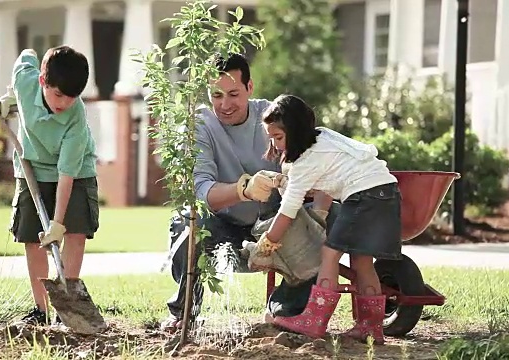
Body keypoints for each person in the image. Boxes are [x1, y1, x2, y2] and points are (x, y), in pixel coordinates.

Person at [160, 53, 335, 332]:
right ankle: (185, 312)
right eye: (216, 95)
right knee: (187, 219)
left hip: (278, 225)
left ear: (250, 88)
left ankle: (285, 312)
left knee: (330, 217)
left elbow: (316, 164)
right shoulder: (199, 125)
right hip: (224, 227)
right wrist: (244, 190)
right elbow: (201, 190)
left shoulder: (274, 116)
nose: (225, 105)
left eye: (233, 94)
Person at [254, 94, 401, 344]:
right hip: (387, 191)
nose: (276, 144)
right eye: (271, 138)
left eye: (278, 137)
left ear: (296, 131)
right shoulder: (322, 136)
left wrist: (266, 245)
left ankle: (314, 321)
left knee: (330, 254)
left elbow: (288, 210)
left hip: (363, 195)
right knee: (362, 261)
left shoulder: (306, 161)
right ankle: (371, 328)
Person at [0, 45, 100, 325]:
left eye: (72, 97)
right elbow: (27, 54)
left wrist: (57, 223)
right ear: (43, 81)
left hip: (76, 172)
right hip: (32, 167)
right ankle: (41, 311)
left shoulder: (76, 116)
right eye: (58, 95)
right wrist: (11, 94)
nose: (64, 103)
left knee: (76, 234)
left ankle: (65, 311)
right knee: (32, 240)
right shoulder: (25, 80)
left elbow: (67, 173)